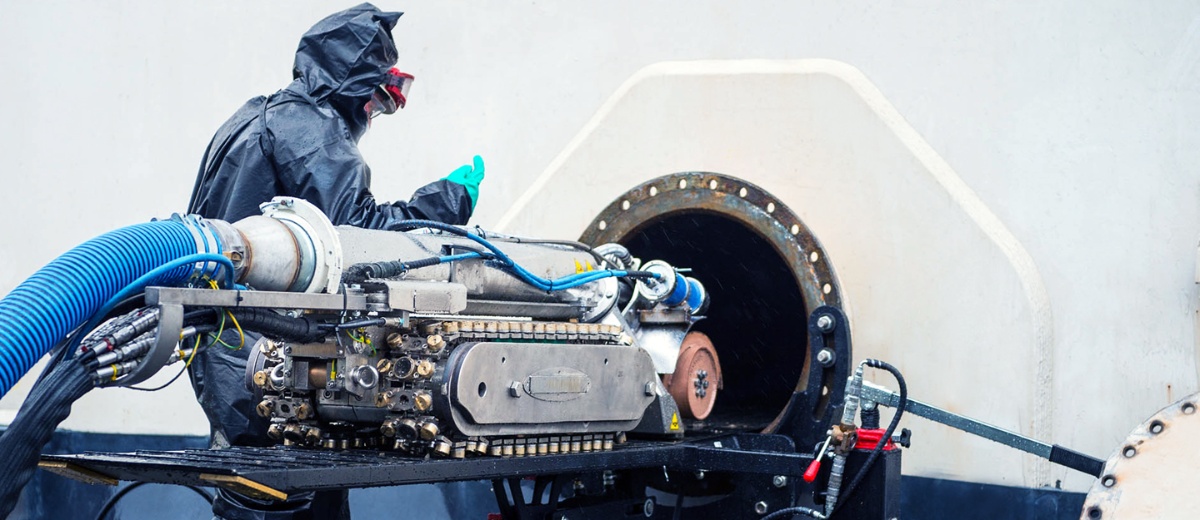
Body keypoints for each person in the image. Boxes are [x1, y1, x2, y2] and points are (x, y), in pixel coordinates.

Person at [185, 4, 484, 518]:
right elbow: (361, 241)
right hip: (271, 356)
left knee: (249, 494)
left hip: (225, 348)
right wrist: (446, 201)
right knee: (292, 500)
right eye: (376, 100)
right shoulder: (310, 128)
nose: (373, 114)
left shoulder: (253, 116)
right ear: (353, 84)